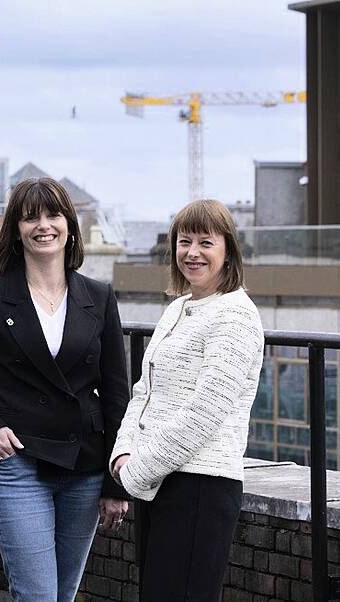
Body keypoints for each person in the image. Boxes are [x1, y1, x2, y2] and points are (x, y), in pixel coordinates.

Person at [0, 177, 130, 601]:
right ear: (16, 229)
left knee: (62, 595)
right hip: (16, 463)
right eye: (30, 218)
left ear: (69, 225)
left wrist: (116, 483)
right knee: (37, 596)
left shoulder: (98, 297)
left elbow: (118, 395)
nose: (43, 226)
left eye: (53, 215)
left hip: (84, 464)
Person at [110, 199, 263, 600]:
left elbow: (204, 413)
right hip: (162, 482)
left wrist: (136, 471)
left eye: (205, 242)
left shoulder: (236, 315)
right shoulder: (179, 308)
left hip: (201, 487)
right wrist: (124, 450)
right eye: (184, 241)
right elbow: (144, 391)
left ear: (228, 249)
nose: (192, 253)